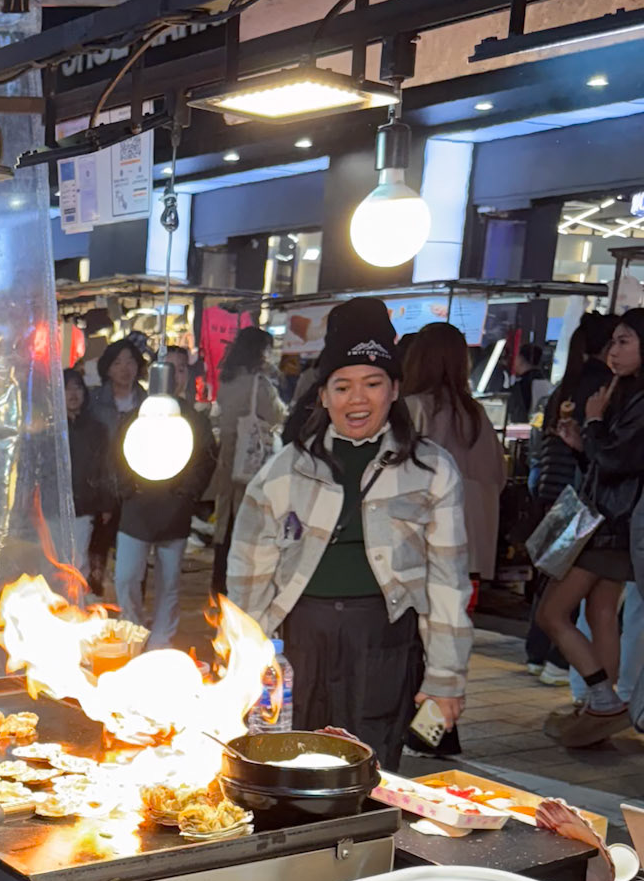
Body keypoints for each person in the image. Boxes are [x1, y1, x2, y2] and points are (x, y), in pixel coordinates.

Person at [229, 298, 471, 768]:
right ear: (323, 395)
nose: (357, 399)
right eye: (342, 386)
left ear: (394, 389)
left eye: (372, 384)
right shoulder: (284, 471)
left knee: (370, 768)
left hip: (384, 641)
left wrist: (445, 677)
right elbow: (249, 573)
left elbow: (448, 581)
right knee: (292, 762)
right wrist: (244, 657)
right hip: (302, 639)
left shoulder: (432, 469)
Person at [537, 310, 644, 747]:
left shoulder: (637, 400)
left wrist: (595, 422)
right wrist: (582, 444)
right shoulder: (625, 391)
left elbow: (619, 461)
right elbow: (607, 463)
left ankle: (602, 698)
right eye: (613, 342)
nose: (613, 351)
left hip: (608, 526)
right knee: (602, 613)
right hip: (613, 522)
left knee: (551, 612)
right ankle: (601, 704)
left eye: (624, 341)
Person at [525, 313, 613, 682]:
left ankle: (536, 654)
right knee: (580, 594)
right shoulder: (606, 386)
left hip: (553, 491)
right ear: (607, 346)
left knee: (550, 577)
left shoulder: (566, 385)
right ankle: (560, 664)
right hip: (584, 496)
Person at [113, 352, 215, 647]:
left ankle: (161, 638)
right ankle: (132, 631)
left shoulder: (193, 421)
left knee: (168, 582)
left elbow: (205, 461)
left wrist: (187, 494)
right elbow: (117, 456)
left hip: (175, 510)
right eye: (168, 369)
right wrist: (128, 489)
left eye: (180, 369)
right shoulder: (136, 417)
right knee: (126, 577)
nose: (174, 376)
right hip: (137, 509)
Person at [402, 323, 507, 586]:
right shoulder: (476, 413)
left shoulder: (413, 407)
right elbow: (498, 475)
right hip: (474, 540)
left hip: (425, 542)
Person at [211, 325, 284, 596]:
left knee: (224, 522)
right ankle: (235, 585)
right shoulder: (259, 383)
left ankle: (217, 583)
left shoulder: (227, 379)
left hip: (228, 457)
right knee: (246, 519)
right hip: (250, 459)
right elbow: (276, 416)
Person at [65, 366, 118, 592]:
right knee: (56, 561)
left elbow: (106, 467)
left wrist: (106, 503)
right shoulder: (49, 430)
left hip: (84, 505)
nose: (73, 393)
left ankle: (76, 603)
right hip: (53, 509)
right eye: (67, 388)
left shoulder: (96, 429)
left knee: (79, 561)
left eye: (77, 387)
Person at [88, 336, 145, 435]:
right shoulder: (93, 400)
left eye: (129, 362)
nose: (124, 369)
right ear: (107, 369)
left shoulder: (146, 401)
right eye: (117, 363)